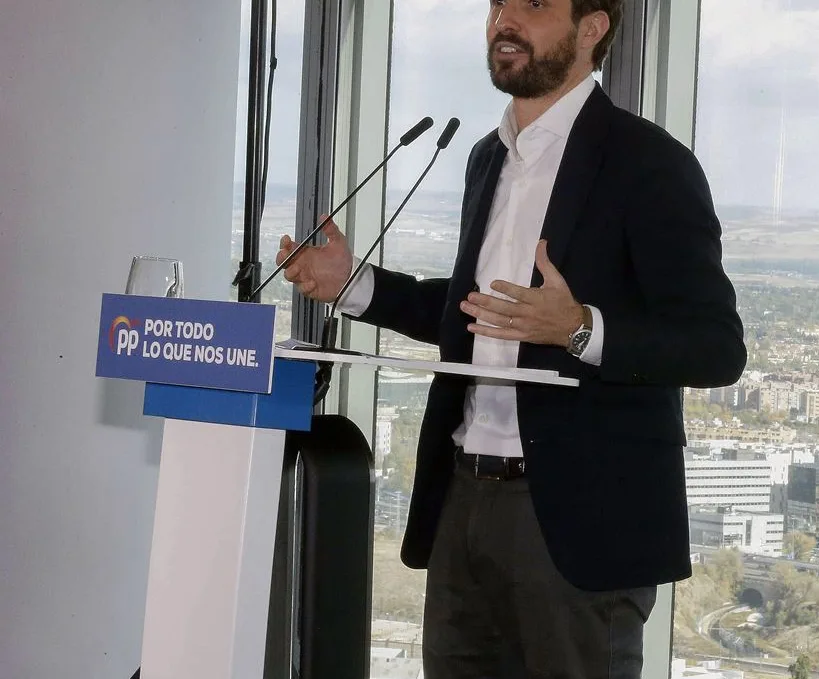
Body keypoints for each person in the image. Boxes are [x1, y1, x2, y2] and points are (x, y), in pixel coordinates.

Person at [276, 0, 745, 676]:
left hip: (578, 520)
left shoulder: (649, 164)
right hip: (463, 498)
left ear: (592, 28)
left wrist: (580, 328)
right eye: (497, 4)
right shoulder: (485, 158)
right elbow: (479, 310)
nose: (503, 19)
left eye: (532, 4)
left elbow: (715, 345)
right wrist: (354, 283)